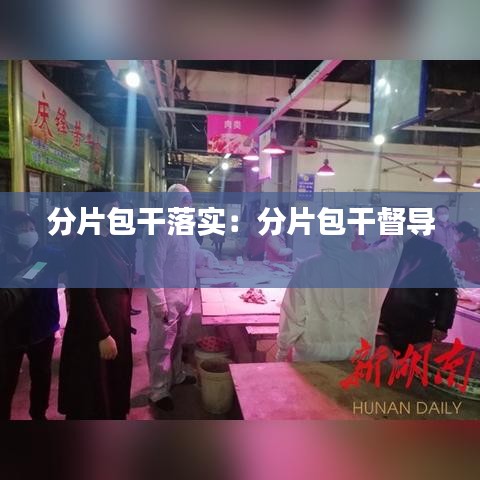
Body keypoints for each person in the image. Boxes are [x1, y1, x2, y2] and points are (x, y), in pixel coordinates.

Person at [58, 189, 134, 420]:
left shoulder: (105, 239)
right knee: (93, 396)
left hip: (113, 324)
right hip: (94, 334)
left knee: (110, 387)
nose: (118, 213)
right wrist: (103, 334)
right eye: (113, 208)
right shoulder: (85, 244)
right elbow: (84, 295)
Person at [277, 225, 403, 362]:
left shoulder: (308, 268)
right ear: (350, 236)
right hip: (357, 356)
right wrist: (396, 229)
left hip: (312, 357)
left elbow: (292, 316)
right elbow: (394, 248)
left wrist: (283, 350)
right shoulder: (370, 264)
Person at [144, 184, 218, 411]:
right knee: (162, 345)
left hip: (185, 295)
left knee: (178, 340)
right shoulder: (160, 227)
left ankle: (175, 375)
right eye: (184, 201)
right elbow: (153, 268)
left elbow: (193, 254)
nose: (188, 206)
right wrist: (158, 301)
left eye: (189, 201)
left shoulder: (186, 227)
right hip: (167, 297)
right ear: (172, 203)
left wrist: (207, 256)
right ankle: (158, 390)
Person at [0, 211, 64, 420]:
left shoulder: (45, 255)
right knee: (6, 382)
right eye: (23, 229)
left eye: (32, 229)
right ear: (9, 233)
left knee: (41, 376)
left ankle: (38, 414)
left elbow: (70, 260)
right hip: (10, 335)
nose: (29, 233)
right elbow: (25, 281)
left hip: (42, 330)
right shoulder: (3, 261)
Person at [379, 215, 458, 356]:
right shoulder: (383, 248)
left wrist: (441, 325)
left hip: (417, 323)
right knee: (383, 363)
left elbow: (448, 290)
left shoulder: (433, 251)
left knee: (413, 362)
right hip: (383, 323)